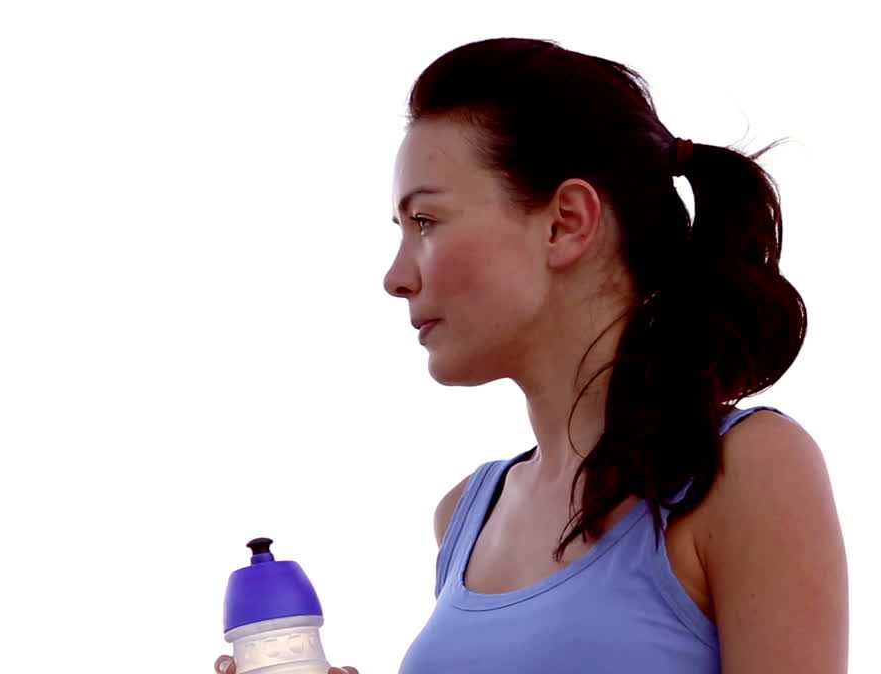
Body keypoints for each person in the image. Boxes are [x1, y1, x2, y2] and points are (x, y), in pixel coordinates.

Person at [215, 37, 847, 674]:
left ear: (564, 222)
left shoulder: (746, 468)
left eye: (426, 221)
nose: (396, 277)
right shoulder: (464, 517)